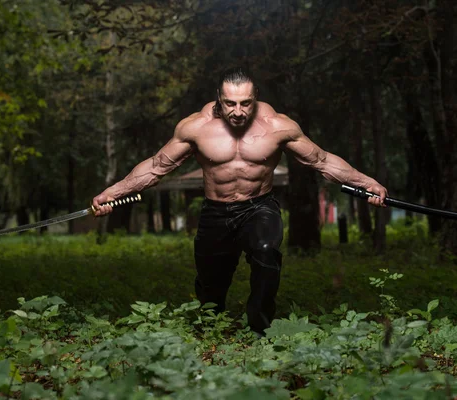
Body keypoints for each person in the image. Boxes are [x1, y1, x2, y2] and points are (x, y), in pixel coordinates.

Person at [92, 67, 388, 335]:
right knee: (211, 284)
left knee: (265, 251)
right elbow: (157, 167)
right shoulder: (195, 127)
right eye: (230, 103)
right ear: (218, 99)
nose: (238, 111)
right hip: (215, 211)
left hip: (259, 206)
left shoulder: (277, 126)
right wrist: (112, 193)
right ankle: (211, 328)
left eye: (245, 103)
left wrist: (368, 183)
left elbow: (322, 161)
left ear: (255, 98)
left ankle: (261, 328)